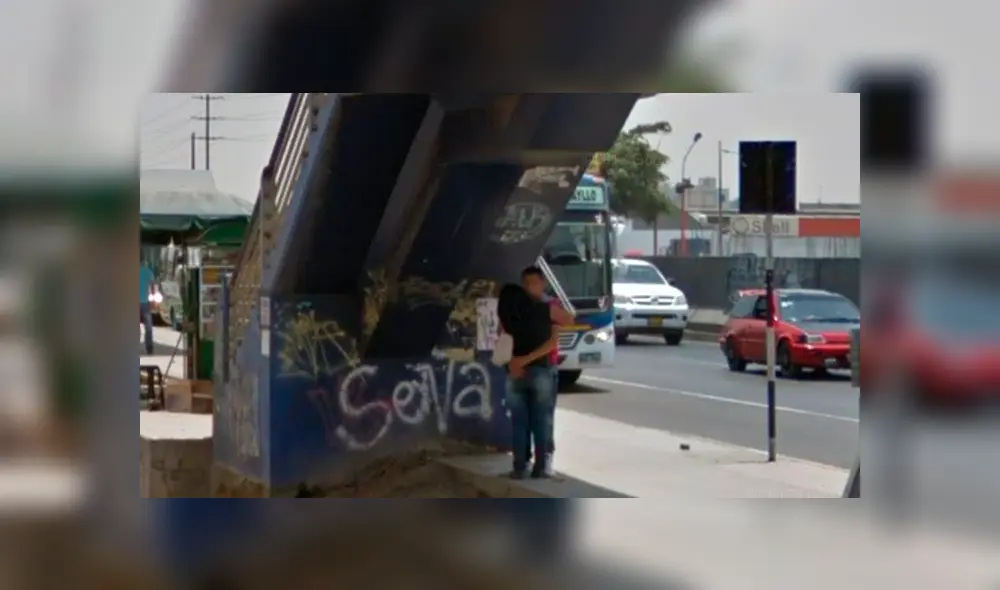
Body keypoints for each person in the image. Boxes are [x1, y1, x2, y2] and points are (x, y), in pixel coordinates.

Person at [497, 267, 560, 479]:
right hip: (541, 369)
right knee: (539, 419)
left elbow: (504, 335)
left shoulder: (515, 306)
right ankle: (540, 466)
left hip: (517, 369)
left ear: (542, 283)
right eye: (528, 283)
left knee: (520, 420)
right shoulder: (550, 307)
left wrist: (516, 361)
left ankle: (519, 467)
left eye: (534, 282)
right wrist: (524, 360)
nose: (531, 287)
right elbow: (552, 343)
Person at [140, 260, 155, 354]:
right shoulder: (147, 271)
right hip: (145, 301)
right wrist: (152, 296)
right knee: (148, 326)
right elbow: (153, 285)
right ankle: (149, 347)